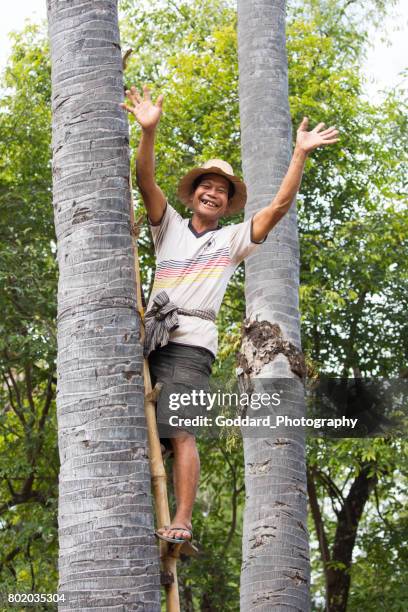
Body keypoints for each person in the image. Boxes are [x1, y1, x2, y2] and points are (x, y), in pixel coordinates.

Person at [121, 85, 339, 545]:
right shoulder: (168, 229)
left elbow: (278, 207)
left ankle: (182, 519)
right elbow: (145, 181)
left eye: (222, 191)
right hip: (146, 341)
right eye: (206, 187)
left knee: (181, 430)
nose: (213, 194)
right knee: (140, 436)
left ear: (227, 203)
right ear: (193, 194)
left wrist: (298, 154)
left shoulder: (231, 241)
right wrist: (149, 130)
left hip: (191, 347)